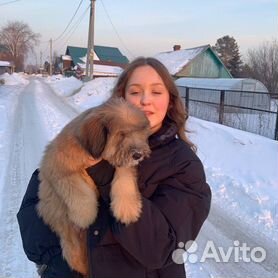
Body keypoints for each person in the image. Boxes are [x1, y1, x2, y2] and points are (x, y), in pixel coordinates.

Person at [17, 57, 211, 278]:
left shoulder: (183, 165)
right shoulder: (88, 134)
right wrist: (54, 262)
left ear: (170, 99)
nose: (145, 100)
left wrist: (106, 177)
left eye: (156, 92)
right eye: (135, 92)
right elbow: (34, 219)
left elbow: (162, 249)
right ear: (122, 96)